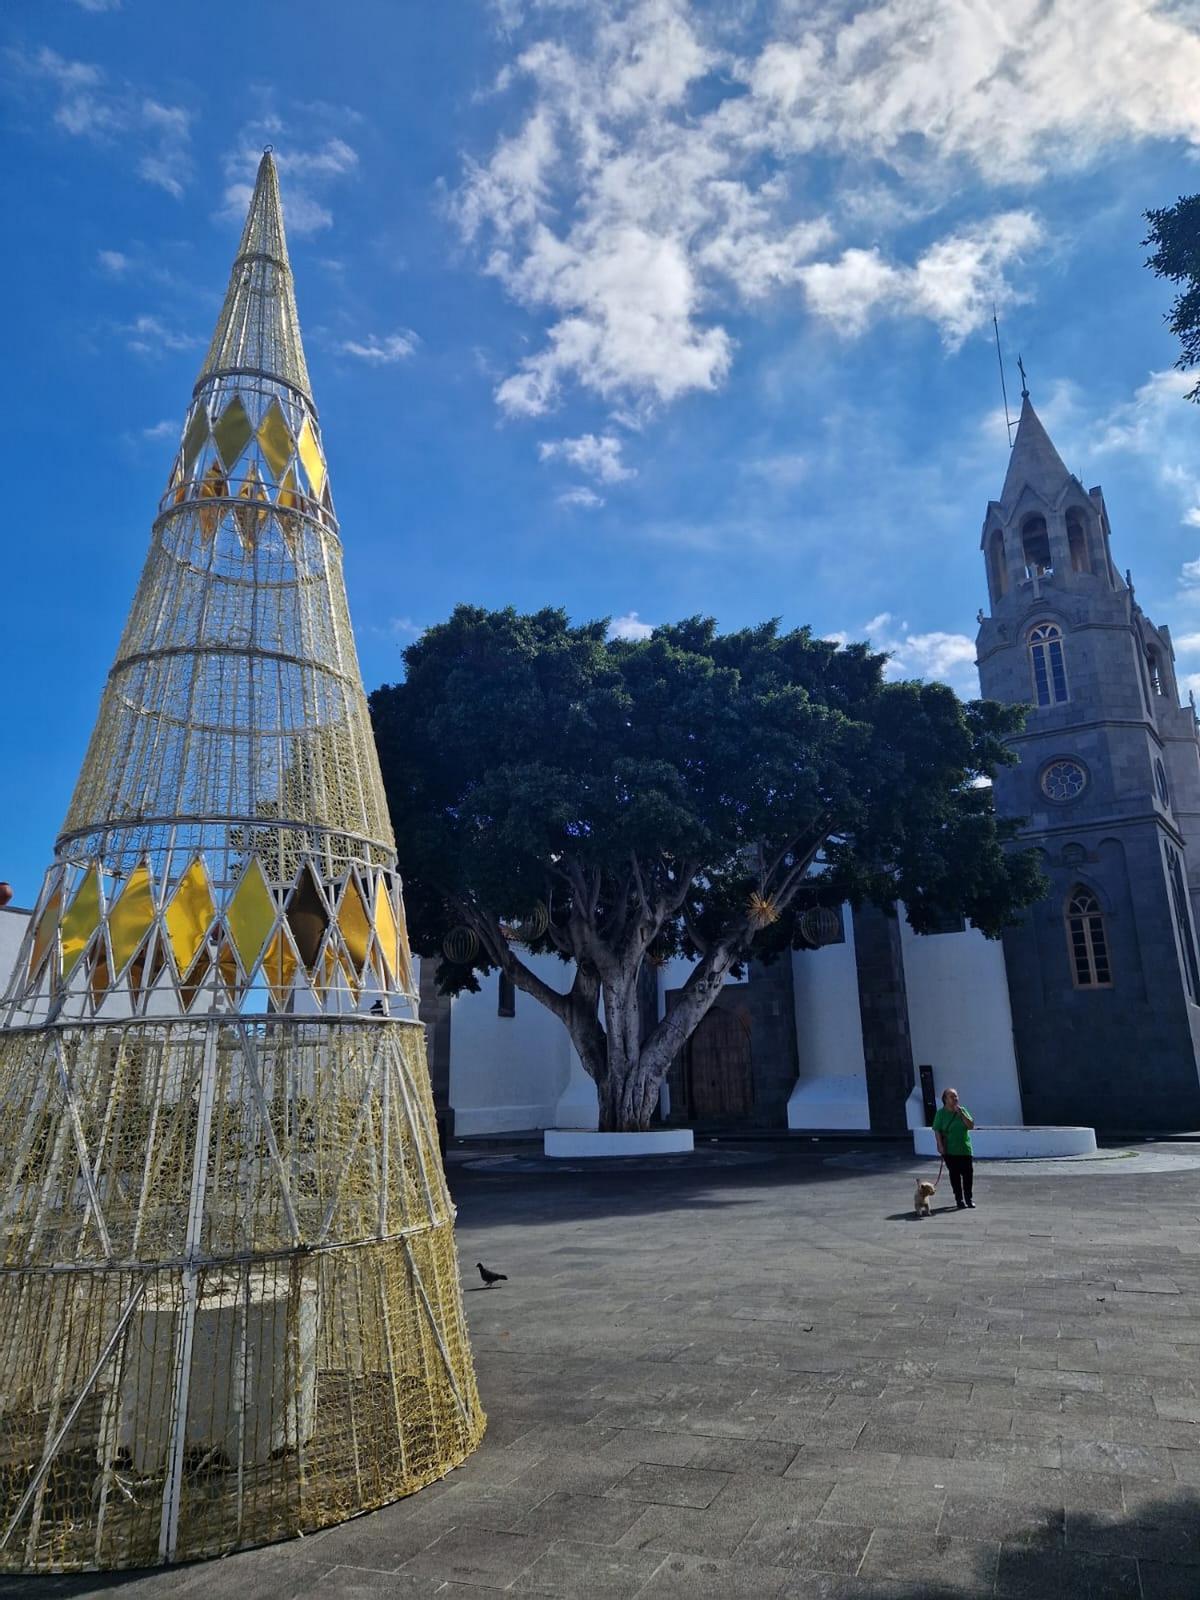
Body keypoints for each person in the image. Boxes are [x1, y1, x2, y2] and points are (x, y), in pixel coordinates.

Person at [932, 1087, 975, 1209]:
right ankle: (959, 1199)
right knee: (955, 1175)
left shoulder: (962, 1110)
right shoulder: (941, 1114)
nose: (955, 1098)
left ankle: (968, 1198)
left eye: (956, 1096)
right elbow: (937, 1130)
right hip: (950, 1150)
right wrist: (940, 1145)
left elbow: (971, 1126)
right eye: (952, 1096)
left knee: (968, 1175)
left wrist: (961, 1114)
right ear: (945, 1099)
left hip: (965, 1149)